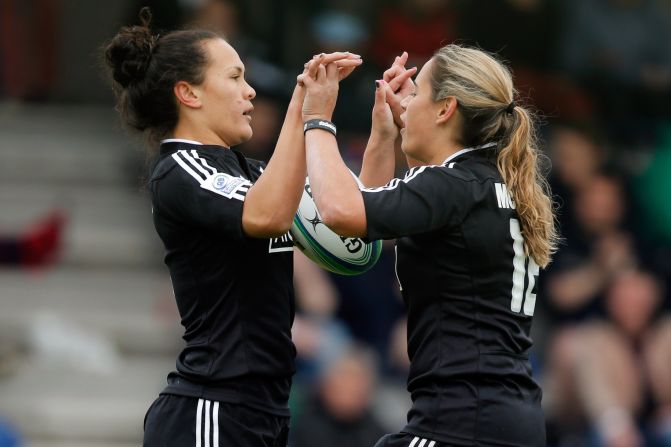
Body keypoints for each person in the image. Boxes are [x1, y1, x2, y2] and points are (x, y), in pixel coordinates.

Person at [103, 8, 361, 447]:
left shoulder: (252, 171)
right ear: (188, 93)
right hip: (213, 406)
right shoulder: (180, 167)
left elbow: (354, 216)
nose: (251, 91)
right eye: (235, 77)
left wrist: (386, 130)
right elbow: (266, 216)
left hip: (265, 407)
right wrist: (304, 109)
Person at [298, 44, 559, 446]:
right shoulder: (487, 183)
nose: (405, 102)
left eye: (416, 92)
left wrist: (316, 118)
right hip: (506, 420)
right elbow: (369, 216)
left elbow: (339, 210)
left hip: (463, 422)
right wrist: (386, 133)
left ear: (445, 109)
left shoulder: (450, 186)